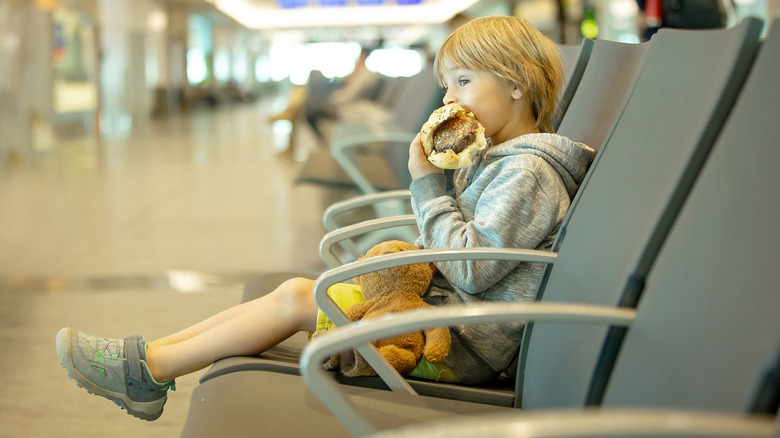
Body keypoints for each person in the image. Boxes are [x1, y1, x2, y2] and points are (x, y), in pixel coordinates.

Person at [55, 15, 595, 421]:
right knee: (294, 292)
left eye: (463, 82)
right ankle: (146, 361)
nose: (449, 98)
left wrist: (427, 183)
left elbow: (472, 268)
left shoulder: (527, 172)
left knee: (296, 297)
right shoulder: (498, 159)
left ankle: (146, 369)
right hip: (444, 319)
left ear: (518, 83)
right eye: (448, 84)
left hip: (460, 345)